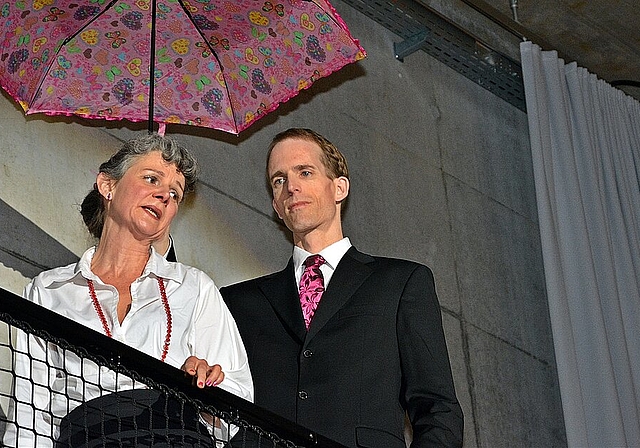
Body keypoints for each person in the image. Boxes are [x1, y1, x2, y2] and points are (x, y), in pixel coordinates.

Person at [3, 134, 253, 447]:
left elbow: (238, 405)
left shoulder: (194, 288)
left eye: (175, 194)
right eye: (151, 179)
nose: (164, 196)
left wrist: (207, 387)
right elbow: (29, 416)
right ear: (108, 186)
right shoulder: (50, 290)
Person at [220, 128, 463, 447]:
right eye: (278, 181)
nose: (291, 187)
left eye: (304, 172)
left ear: (339, 187)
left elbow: (437, 408)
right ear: (276, 207)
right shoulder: (236, 302)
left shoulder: (401, 282)